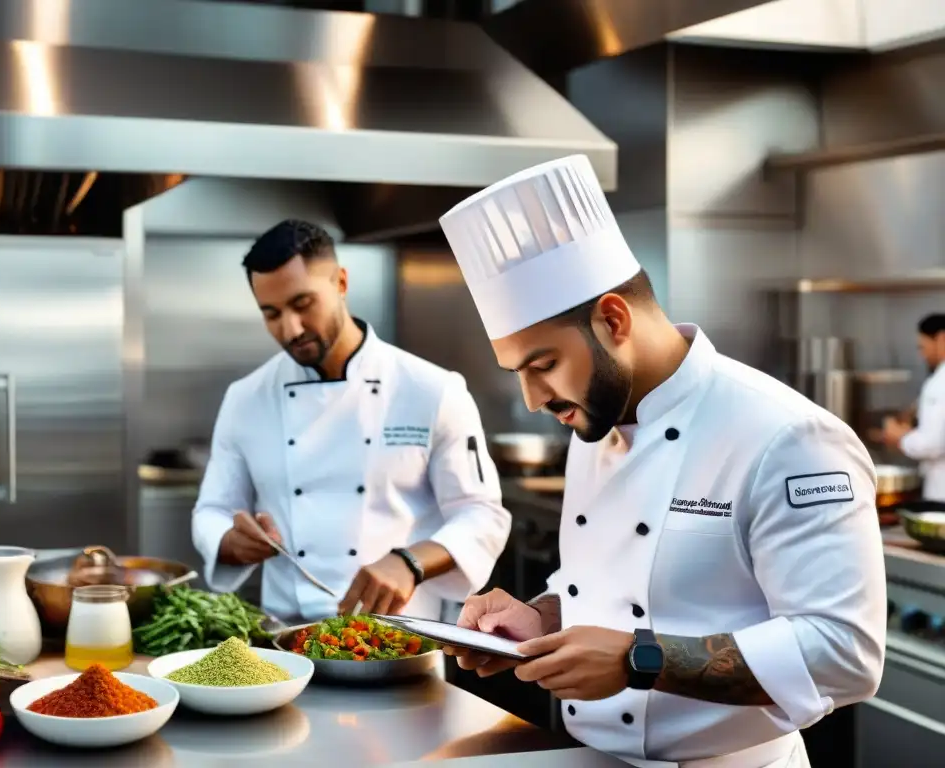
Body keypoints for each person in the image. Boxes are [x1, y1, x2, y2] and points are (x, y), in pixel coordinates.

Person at [436, 156, 886, 768]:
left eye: (542, 365)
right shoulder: (595, 420)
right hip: (590, 756)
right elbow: (623, 589)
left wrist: (635, 660)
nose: (533, 399)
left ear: (613, 319)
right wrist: (539, 617)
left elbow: (844, 653)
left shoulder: (787, 436)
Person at [191, 219, 511, 623]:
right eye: (271, 314)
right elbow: (212, 510)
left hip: (403, 637)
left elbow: (482, 514)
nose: (290, 328)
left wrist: (409, 562)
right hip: (286, 638)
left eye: (302, 304)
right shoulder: (246, 398)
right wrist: (229, 541)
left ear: (341, 282)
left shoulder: (431, 390)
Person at [879, 313, 945, 501]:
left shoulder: (940, 382)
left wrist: (899, 437)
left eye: (923, 346)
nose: (922, 354)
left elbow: (932, 444)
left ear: (941, 338)